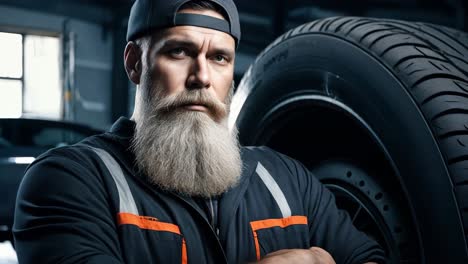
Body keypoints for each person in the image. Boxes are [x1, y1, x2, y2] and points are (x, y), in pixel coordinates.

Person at [13, 0, 386, 263]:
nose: (202, 77)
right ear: (134, 63)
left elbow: (367, 257)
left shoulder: (288, 180)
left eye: (219, 58)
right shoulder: (68, 180)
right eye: (179, 52)